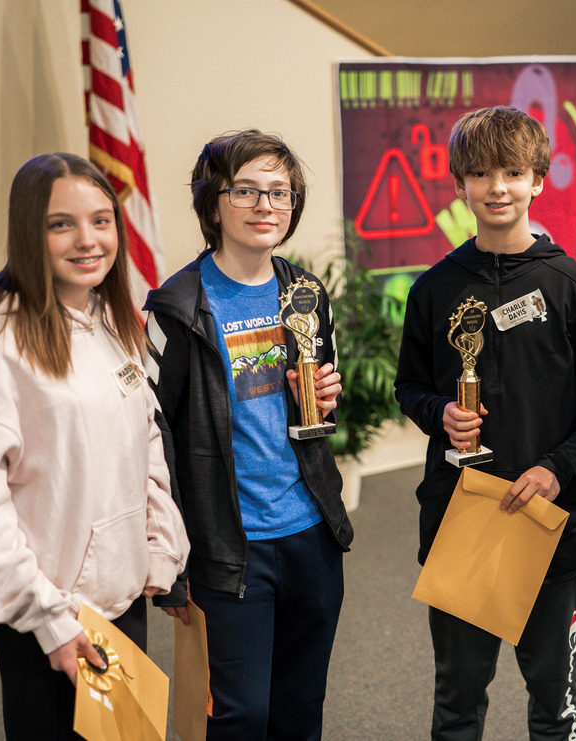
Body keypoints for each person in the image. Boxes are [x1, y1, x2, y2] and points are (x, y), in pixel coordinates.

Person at [395, 106, 576, 740]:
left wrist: (556, 469)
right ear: (459, 185)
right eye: (479, 173)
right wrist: (438, 413)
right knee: (457, 701)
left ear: (538, 181)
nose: (497, 188)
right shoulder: (433, 290)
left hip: (550, 521)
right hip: (460, 516)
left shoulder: (575, 288)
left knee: (555, 704)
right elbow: (408, 386)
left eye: (512, 172)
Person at [0, 153, 190, 739]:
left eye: (101, 220)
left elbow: (144, 439)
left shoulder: (109, 317)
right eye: (62, 224)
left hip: (120, 595)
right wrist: (51, 622)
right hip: (45, 614)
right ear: (30, 231)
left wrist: (159, 545)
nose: (87, 240)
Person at [143, 129, 353, 740]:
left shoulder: (305, 293)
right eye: (245, 191)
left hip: (310, 532)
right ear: (213, 205)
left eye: (279, 192)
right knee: (239, 716)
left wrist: (328, 397)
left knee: (300, 707)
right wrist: (171, 563)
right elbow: (152, 438)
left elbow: (318, 408)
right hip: (228, 545)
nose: (266, 206)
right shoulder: (175, 308)